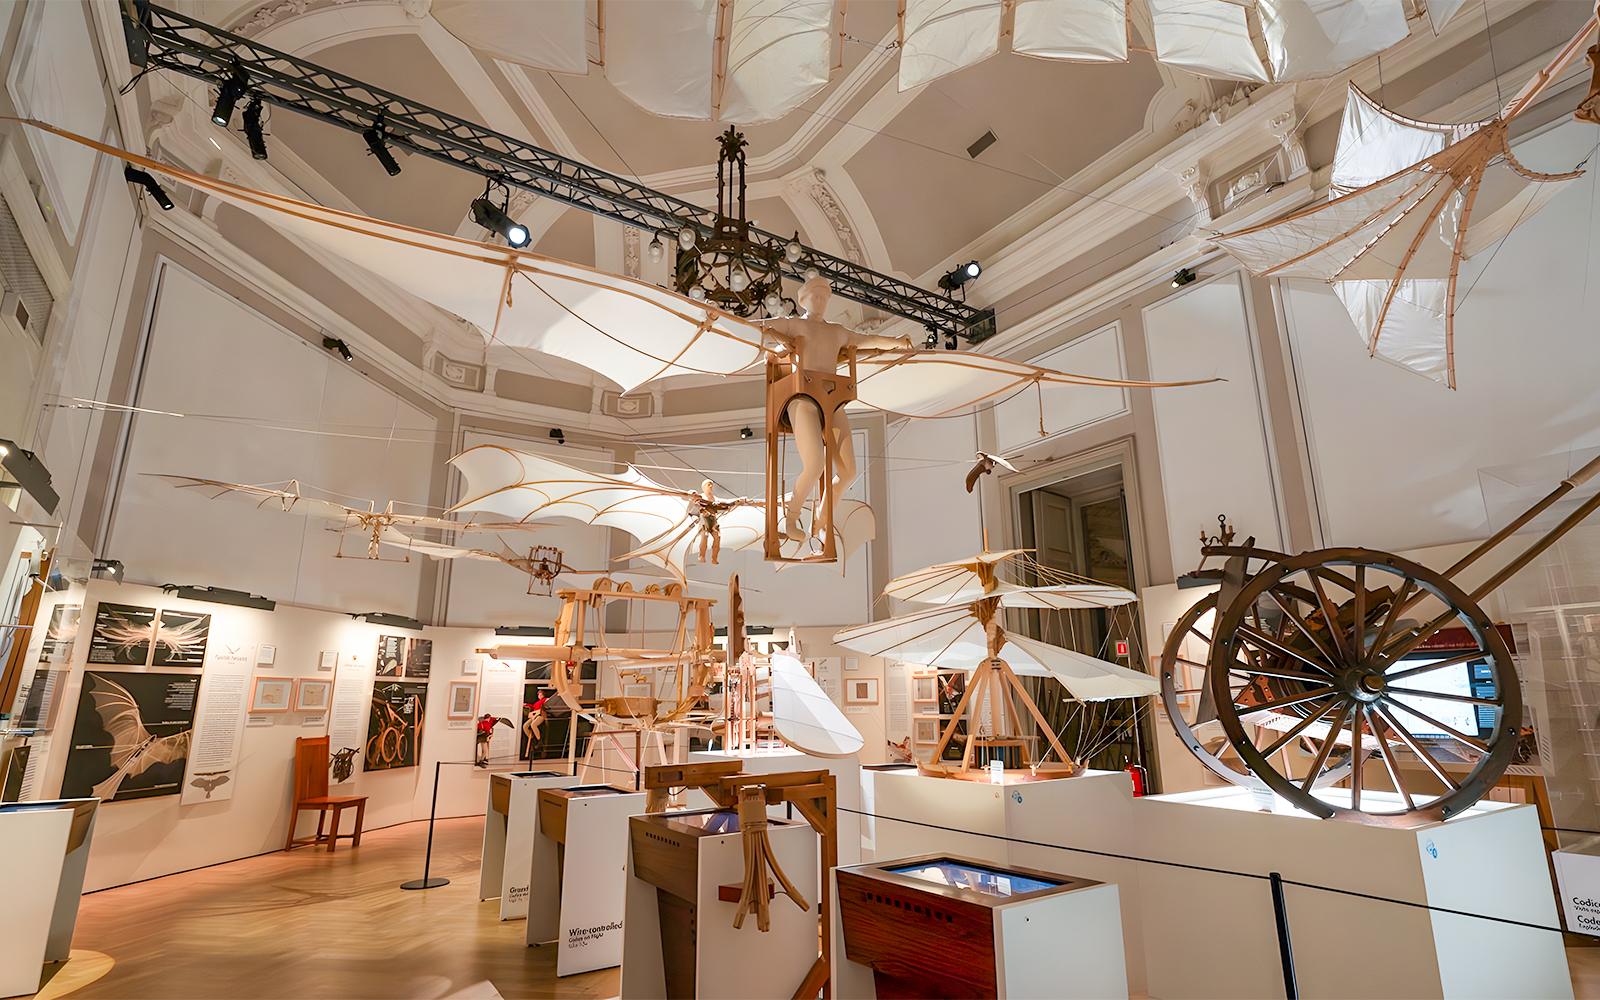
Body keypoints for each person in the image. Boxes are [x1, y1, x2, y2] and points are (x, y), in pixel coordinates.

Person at [762, 277, 911, 540]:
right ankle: (791, 517)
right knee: (815, 464)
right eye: (815, 296)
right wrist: (717, 320)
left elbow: (870, 339)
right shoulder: (793, 323)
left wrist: (897, 341)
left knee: (848, 471)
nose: (820, 301)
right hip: (803, 397)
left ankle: (822, 516)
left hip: (832, 399)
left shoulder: (838, 331)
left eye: (825, 296)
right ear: (803, 298)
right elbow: (758, 327)